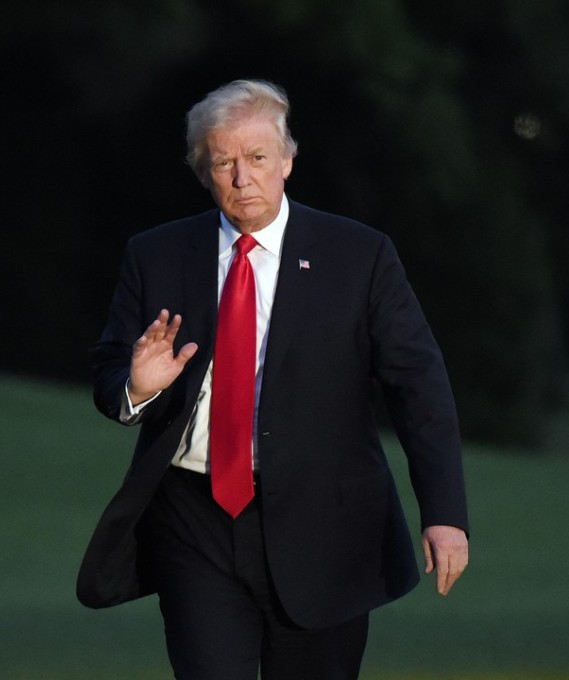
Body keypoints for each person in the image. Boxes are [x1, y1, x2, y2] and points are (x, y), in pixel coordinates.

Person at [77, 79, 469, 680]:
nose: (242, 177)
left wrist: (443, 512)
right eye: (223, 162)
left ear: (286, 159)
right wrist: (140, 385)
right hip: (193, 519)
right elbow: (110, 376)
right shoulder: (156, 255)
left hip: (324, 525)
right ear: (203, 172)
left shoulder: (358, 256)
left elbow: (419, 386)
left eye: (258, 158)